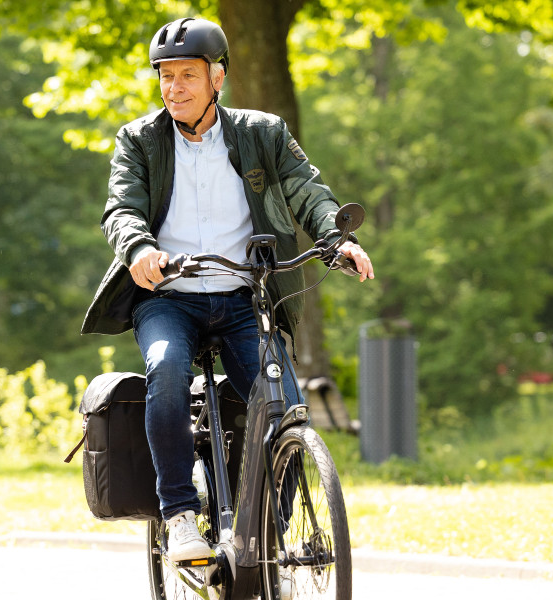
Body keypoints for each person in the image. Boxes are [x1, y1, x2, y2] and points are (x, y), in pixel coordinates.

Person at [80, 17, 375, 561]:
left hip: (246, 297)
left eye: (187, 75)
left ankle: (264, 537)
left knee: (286, 410)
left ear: (218, 78)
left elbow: (306, 190)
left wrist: (337, 238)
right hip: (167, 297)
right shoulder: (139, 140)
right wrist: (140, 249)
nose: (174, 88)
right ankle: (179, 515)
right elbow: (121, 208)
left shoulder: (263, 132)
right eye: (165, 77)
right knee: (166, 371)